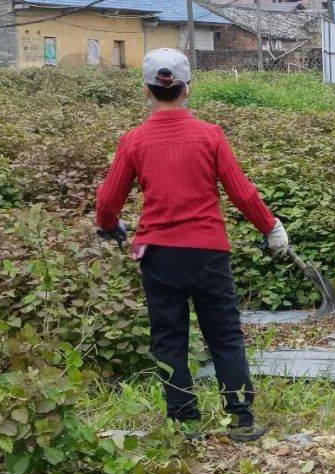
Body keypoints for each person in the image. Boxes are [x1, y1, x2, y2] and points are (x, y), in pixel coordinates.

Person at [95, 48, 290, 442]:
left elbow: (108, 201)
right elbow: (242, 192)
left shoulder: (133, 141)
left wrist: (109, 225)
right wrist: (271, 227)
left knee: (169, 340)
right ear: (187, 89)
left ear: (146, 90)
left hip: (158, 256)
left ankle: (185, 423)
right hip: (208, 253)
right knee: (225, 335)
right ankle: (241, 419)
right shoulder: (210, 135)